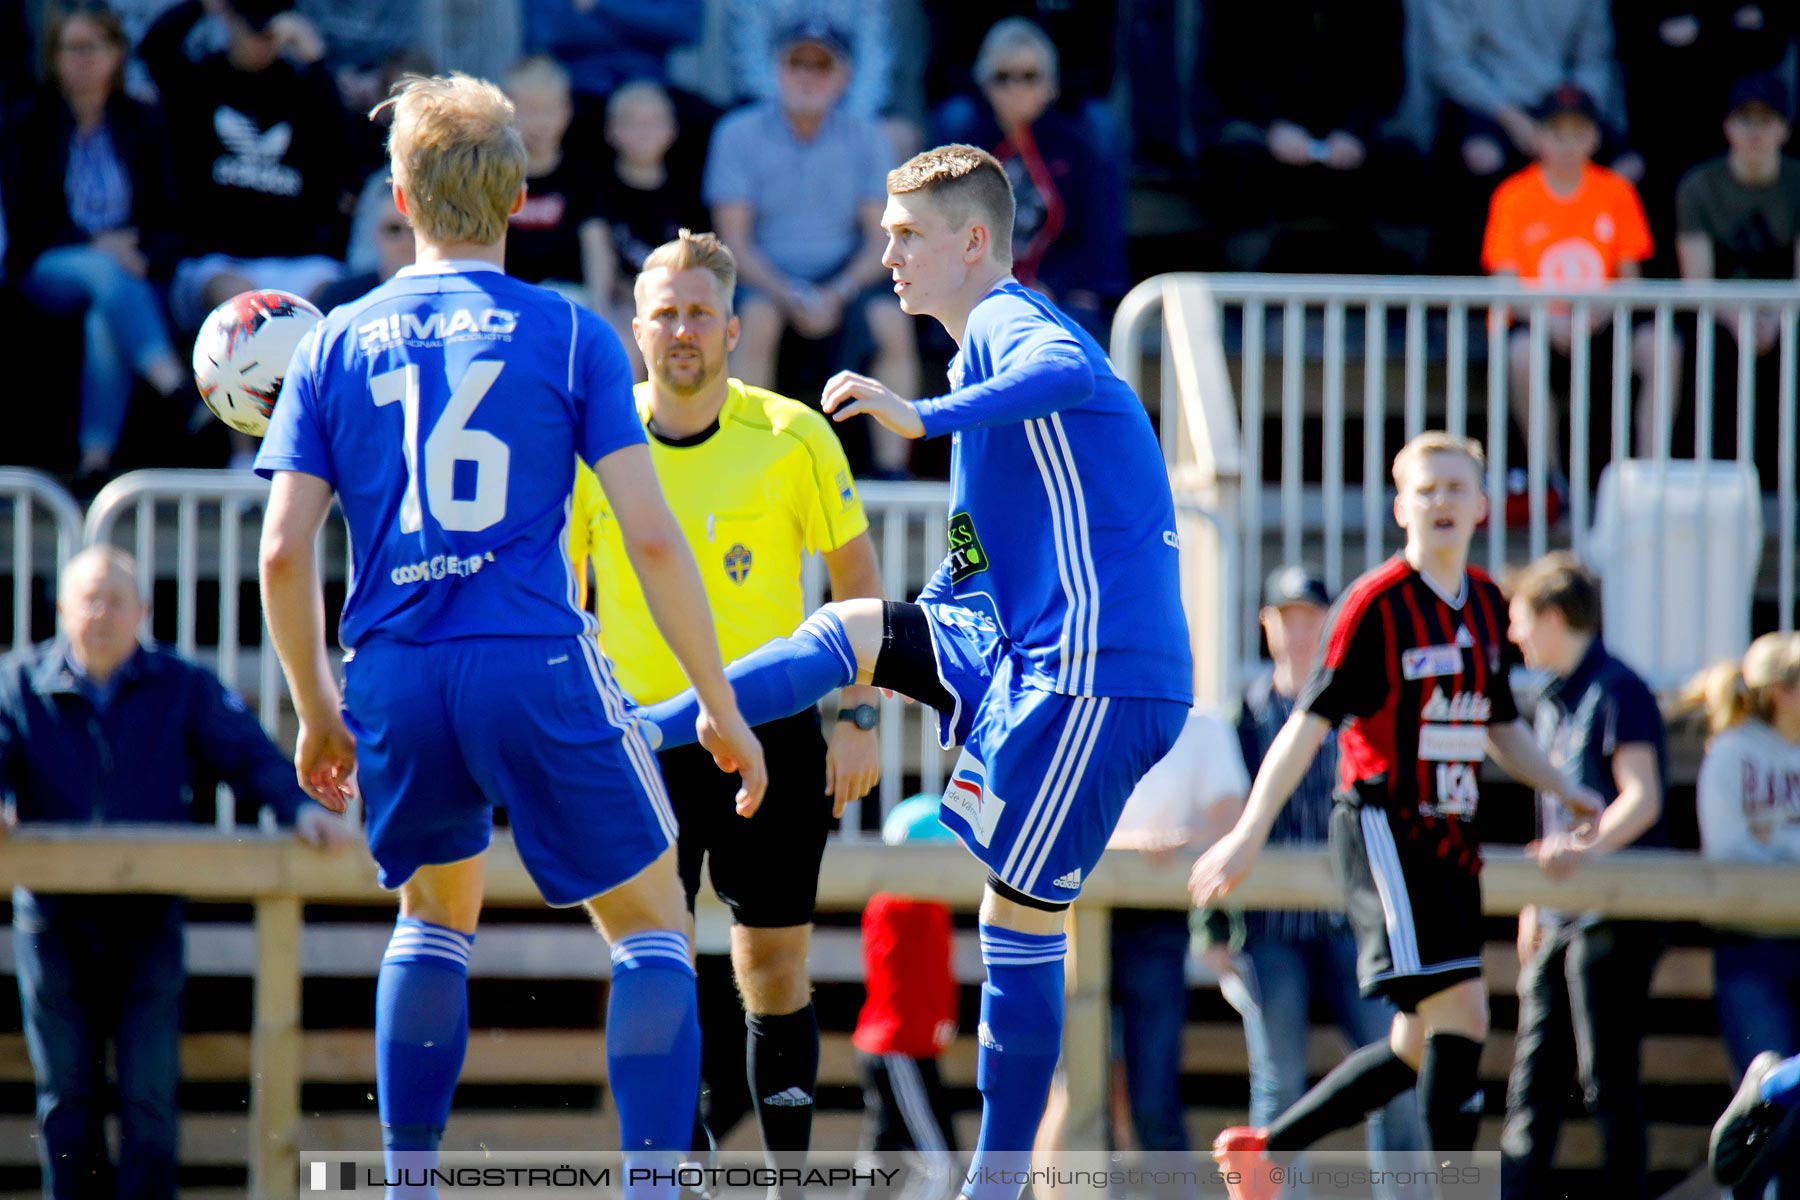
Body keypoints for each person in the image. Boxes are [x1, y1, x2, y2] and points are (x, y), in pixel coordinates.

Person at [638, 144, 1193, 1200]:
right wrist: (932, 606)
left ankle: (992, 1185)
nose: (884, 251)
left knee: (1015, 925)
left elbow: (1069, 371)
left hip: (1090, 671)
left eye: (904, 235)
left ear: (974, 242)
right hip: (1023, 648)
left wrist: (920, 419)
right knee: (854, 628)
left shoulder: (1004, 320)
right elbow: (988, 549)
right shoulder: (973, 348)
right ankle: (652, 722)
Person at [253, 72, 766, 1197]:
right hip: (530, 656)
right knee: (654, 929)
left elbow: (284, 553)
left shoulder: (333, 343)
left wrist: (314, 711)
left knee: (434, 916)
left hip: (391, 667)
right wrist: (722, 707)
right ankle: (651, 1185)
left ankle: (408, 1182)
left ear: (401, 194)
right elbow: (654, 542)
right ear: (519, 191)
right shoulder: (570, 333)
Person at [1192, 432, 1601, 1200]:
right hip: (1382, 827)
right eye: (1426, 489)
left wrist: (1565, 787)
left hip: (1452, 838)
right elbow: (1306, 728)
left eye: (1456, 487)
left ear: (1482, 505)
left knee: (1417, 1044)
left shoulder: (1484, 603)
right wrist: (1248, 833)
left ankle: (1266, 1150)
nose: (1441, 500)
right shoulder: (1375, 604)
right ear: (1400, 506)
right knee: (1465, 1012)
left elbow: (1499, 723)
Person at [568, 228, 883, 1176]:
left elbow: (857, 581)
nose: (682, 330)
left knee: (772, 966)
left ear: (735, 329)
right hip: (640, 740)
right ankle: (672, 1172)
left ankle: (787, 1181)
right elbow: (561, 598)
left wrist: (861, 713)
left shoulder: (792, 435)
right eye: (664, 313)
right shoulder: (596, 442)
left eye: (700, 312)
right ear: (636, 328)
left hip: (773, 736)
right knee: (654, 961)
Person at [1, 546, 350, 1200]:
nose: (101, 614)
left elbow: (249, 756)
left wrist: (303, 809)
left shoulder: (182, 686)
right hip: (52, 923)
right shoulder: (17, 686)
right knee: (65, 1101)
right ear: (61, 611)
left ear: (143, 612)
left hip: (148, 920)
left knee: (149, 1100)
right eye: (88, 599)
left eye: (115, 601)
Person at [1230, 567, 1425, 1200]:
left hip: (1352, 923)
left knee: (1395, 1068)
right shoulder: (1244, 716)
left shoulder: (1358, 707)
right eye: (1286, 617)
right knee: (1278, 1083)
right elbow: (1219, 819)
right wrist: (1212, 929)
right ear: (1266, 628)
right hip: (1270, 931)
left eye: (1312, 617)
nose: (1299, 631)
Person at [1499, 552, 1668, 1200]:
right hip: (1563, 912)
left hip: (1613, 914)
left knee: (1607, 1080)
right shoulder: (1553, 701)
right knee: (1533, 1080)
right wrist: (1534, 905)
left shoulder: (1616, 687)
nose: (1514, 636)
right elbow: (1553, 818)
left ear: (1550, 616)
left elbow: (1642, 797)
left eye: (1520, 619)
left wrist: (1581, 851)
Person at [703, 18, 920, 476]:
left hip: (847, 276)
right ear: (776, 69)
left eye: (821, 66)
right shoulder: (737, 132)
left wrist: (838, 290)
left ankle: (893, 470)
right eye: (796, 62)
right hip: (765, 277)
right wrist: (790, 293)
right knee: (754, 321)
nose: (808, 75)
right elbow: (734, 240)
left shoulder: (868, 136)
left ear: (844, 77)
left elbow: (881, 234)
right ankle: (745, 463)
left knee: (890, 322)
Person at [0, 1, 187, 488]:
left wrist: (144, 255)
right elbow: (26, 221)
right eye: (70, 48)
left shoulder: (142, 121)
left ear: (116, 54)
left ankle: (95, 458)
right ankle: (174, 384)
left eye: (92, 48)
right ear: (53, 56)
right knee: (104, 271)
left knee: (106, 312)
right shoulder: (28, 120)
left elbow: (170, 216)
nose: (81, 59)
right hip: (50, 264)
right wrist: (98, 242)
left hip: (130, 271)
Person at [1481, 85, 1659, 474]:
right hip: (1539, 326)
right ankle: (1549, 480)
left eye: (1578, 132)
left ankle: (1649, 476)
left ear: (1594, 138)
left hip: (1604, 324)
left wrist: (1599, 312)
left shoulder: (1618, 192)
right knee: (1522, 352)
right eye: (1556, 132)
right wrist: (1548, 318)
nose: (1566, 143)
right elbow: (1505, 282)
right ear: (1538, 136)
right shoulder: (1513, 195)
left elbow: (1631, 279)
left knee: (1661, 346)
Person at [1105, 705, 1246, 1165]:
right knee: (1076, 1094)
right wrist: (1136, 846)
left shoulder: (1204, 727)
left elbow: (1231, 818)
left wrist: (1174, 840)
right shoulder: (1080, 712)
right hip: (1071, 917)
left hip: (1156, 922)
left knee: (1152, 1099)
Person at [1691, 632, 1800, 1197]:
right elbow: (1729, 854)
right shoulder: (1734, 753)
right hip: (1752, 947)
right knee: (1770, 1116)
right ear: (1783, 692)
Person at [938, 18, 1124, 337]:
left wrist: (1051, 287)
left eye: (1029, 77)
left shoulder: (1076, 146)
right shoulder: (965, 150)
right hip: (978, 295)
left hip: (1057, 293)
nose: (1016, 89)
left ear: (1051, 87)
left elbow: (1093, 236)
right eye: (1002, 77)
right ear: (984, 85)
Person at [1203, 0, 1420, 274]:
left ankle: (1397, 286)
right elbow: (1227, 70)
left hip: (1352, 134)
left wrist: (1353, 132)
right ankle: (1246, 281)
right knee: (1236, 153)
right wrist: (1274, 125)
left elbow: (1387, 79)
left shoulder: (1379, 7)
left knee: (1400, 155)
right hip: (1267, 126)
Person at [1424, 0, 1633, 271]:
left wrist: (1577, 120)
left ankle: (1615, 298)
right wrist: (1511, 118)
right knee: (1480, 157)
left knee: (1628, 166)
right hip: (1490, 103)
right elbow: (1448, 64)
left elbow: (1595, 59)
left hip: (1569, 102)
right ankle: (1466, 291)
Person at [1674, 72, 1800, 473]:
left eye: (1766, 121)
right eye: (1745, 120)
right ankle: (1711, 481)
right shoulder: (1698, 187)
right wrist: (1739, 321)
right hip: (1721, 316)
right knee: (1701, 350)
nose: (1755, 132)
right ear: (1728, 127)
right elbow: (1697, 281)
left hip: (1786, 316)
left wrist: (1777, 320)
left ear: (1784, 129)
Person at [853, 793, 963, 1200]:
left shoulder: (924, 900)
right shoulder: (900, 900)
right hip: (898, 1049)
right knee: (942, 1167)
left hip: (904, 1047)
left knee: (880, 1165)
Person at [594, 81, 709, 375]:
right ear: (610, 130)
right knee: (624, 343)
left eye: (653, 121)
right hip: (623, 303)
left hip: (681, 302)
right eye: (630, 121)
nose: (642, 131)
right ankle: (624, 421)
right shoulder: (597, 190)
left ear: (672, 130)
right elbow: (601, 268)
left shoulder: (688, 193)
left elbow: (702, 261)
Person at [502, 55, 610, 310]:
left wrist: (600, 308)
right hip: (507, 297)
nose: (541, 122)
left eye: (550, 110)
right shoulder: (494, 174)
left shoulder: (582, 174)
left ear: (567, 111)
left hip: (568, 297)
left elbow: (596, 245)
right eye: (530, 110)